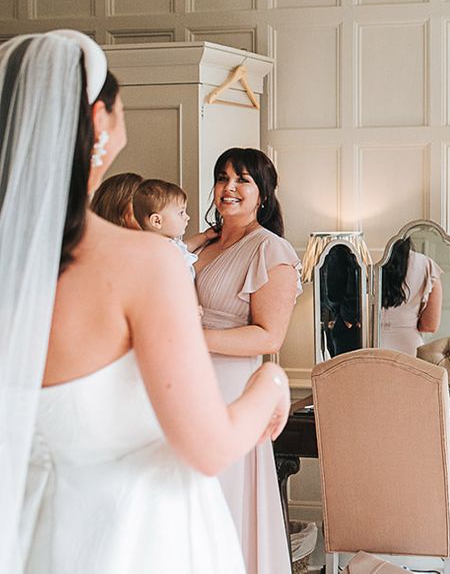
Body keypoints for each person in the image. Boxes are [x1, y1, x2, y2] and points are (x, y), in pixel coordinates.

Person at [2, 30, 290, 574]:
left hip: (27, 527)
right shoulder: (146, 261)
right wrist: (272, 384)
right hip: (133, 537)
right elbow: (208, 447)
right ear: (100, 124)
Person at [193, 147, 301, 574]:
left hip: (232, 387)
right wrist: (197, 240)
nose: (229, 188)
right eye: (222, 178)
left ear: (263, 194)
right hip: (186, 381)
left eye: (242, 180)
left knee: (222, 496)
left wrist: (194, 340)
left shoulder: (271, 251)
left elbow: (268, 335)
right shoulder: (203, 245)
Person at [132, 178, 216, 277]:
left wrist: (204, 236)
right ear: (157, 221)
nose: (187, 217)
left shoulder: (170, 244)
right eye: (181, 213)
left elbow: (184, 248)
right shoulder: (154, 251)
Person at [379, 237, 443, 355]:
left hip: (368, 346)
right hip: (409, 348)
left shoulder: (366, 259)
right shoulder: (426, 265)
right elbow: (430, 325)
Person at [320, 243, 362, 357]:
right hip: (340, 317)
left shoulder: (339, 253)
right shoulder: (336, 253)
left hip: (344, 319)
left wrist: (348, 317)